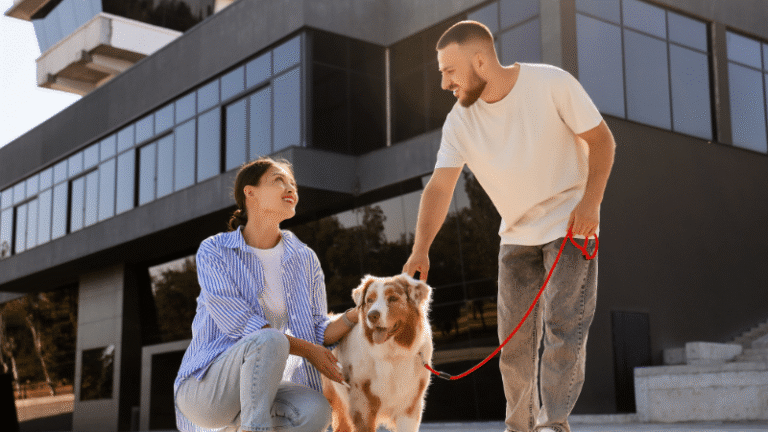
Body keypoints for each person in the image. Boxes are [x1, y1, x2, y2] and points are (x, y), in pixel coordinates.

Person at [402, 21, 616, 432]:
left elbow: (602, 141)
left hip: (569, 224)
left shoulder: (551, 83)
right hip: (516, 235)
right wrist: (421, 248)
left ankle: (553, 423)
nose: (445, 82)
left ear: (480, 61)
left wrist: (591, 203)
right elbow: (440, 187)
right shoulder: (460, 122)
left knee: (562, 325)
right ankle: (518, 427)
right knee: (513, 345)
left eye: (449, 70)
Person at [174, 157, 359, 432]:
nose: (291, 188)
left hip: (261, 389)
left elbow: (318, 330)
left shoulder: (304, 258)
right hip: (206, 390)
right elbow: (241, 324)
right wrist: (309, 351)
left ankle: (242, 426)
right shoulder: (215, 251)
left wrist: (356, 315)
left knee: (316, 411)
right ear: (250, 193)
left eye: (293, 184)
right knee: (268, 339)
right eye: (279, 180)